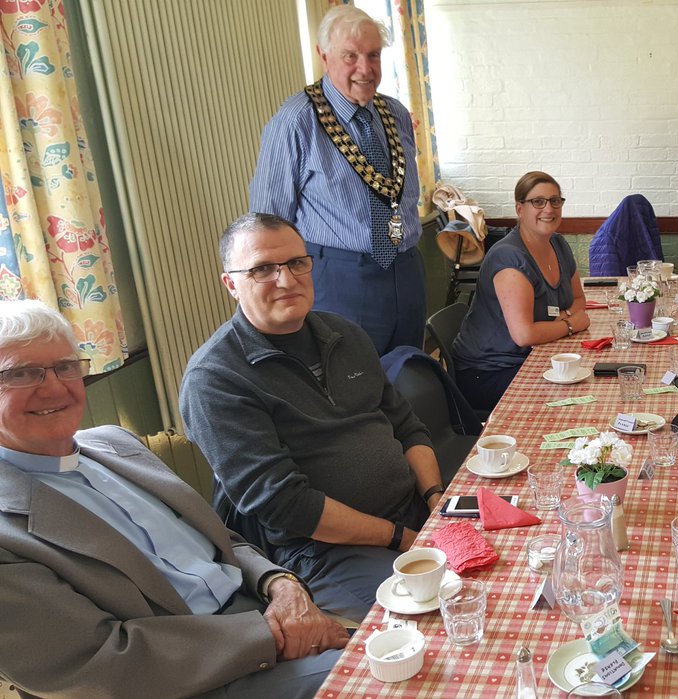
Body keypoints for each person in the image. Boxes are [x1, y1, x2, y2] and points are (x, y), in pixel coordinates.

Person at [0, 300, 346, 699]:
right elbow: (97, 664)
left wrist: (282, 585)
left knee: (412, 641)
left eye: (65, 366)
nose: (55, 387)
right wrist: (269, 634)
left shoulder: (114, 443)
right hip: (188, 679)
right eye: (23, 374)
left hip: (265, 613)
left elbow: (221, 542)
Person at [179, 213, 445, 621]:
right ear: (231, 284)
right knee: (435, 611)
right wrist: (403, 539)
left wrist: (436, 501)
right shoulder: (215, 379)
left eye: (297, 263)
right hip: (323, 552)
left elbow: (407, 427)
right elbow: (289, 506)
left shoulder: (344, 334)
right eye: (263, 269)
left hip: (413, 514)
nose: (286, 280)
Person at [250, 5, 425, 355]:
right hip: (341, 276)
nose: (365, 68)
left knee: (409, 374)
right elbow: (268, 224)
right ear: (323, 55)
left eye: (373, 55)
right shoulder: (296, 122)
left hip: (405, 268)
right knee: (350, 387)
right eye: (350, 56)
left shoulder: (395, 114)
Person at [452, 172, 590, 412]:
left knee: (590, 380)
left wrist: (563, 318)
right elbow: (525, 335)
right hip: (490, 372)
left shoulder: (558, 244)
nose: (548, 208)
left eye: (555, 201)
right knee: (576, 399)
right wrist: (571, 325)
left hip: (534, 357)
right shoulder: (509, 257)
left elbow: (579, 299)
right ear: (519, 209)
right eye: (538, 201)